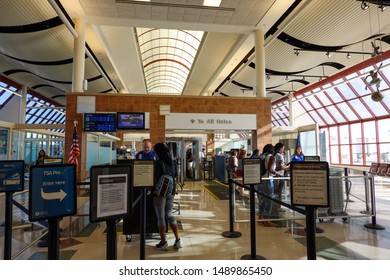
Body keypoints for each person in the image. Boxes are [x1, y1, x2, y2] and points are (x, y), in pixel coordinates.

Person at [152, 142, 182, 251]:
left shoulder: (158, 163)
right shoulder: (173, 162)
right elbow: (175, 176)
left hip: (160, 193)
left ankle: (163, 242)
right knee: (169, 214)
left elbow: (154, 178)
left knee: (161, 217)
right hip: (171, 190)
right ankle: (178, 240)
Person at [258, 144, 283, 227]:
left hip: (261, 179)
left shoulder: (262, 156)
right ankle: (266, 220)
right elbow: (270, 169)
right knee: (268, 200)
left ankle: (261, 217)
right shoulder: (271, 157)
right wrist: (277, 173)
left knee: (262, 199)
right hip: (268, 180)